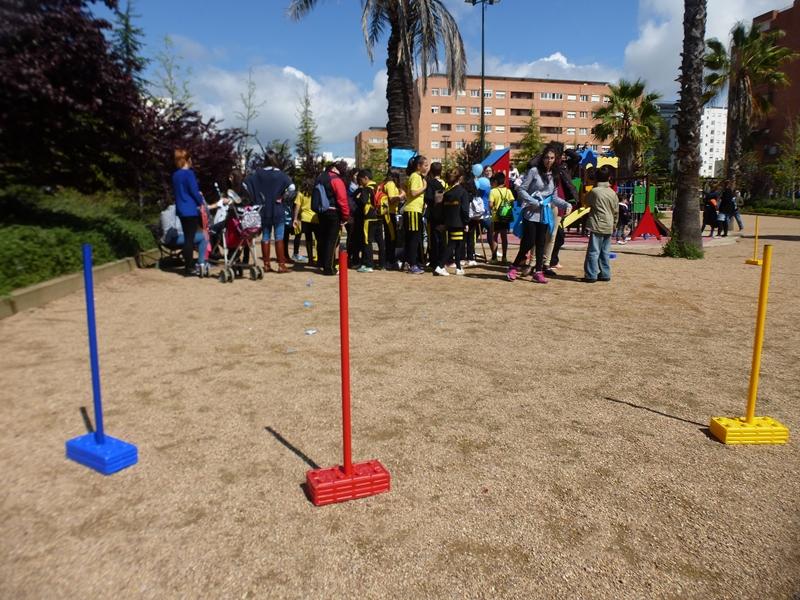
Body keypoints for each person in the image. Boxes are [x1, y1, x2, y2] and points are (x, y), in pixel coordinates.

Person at [508, 144, 572, 284]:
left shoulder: (555, 175)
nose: (549, 160)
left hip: (544, 213)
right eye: (546, 158)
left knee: (541, 242)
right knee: (528, 242)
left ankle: (538, 272)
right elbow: (521, 189)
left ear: (555, 159)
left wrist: (566, 204)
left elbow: (553, 197)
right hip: (531, 213)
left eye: (552, 158)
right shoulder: (533, 171)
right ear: (542, 158)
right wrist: (533, 201)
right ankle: (513, 267)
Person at [243, 150, 296, 273]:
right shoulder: (281, 175)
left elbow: (245, 184)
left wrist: (254, 199)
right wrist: (284, 197)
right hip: (277, 209)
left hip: (263, 210)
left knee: (265, 237)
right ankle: (281, 265)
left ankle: (266, 265)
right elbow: (292, 188)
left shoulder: (257, 174)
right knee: (279, 237)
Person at [171, 148, 209, 276]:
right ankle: (189, 267)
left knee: (187, 237)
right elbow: (194, 191)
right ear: (187, 160)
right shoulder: (189, 174)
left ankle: (188, 266)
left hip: (181, 209)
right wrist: (201, 201)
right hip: (190, 209)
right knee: (190, 239)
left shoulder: (175, 175)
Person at [583, 165, 619, 283]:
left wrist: (593, 186)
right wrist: (614, 223)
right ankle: (605, 273)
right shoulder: (612, 193)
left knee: (594, 251)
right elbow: (616, 210)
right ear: (609, 178)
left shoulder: (595, 191)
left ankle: (591, 274)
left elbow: (585, 202)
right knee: (605, 251)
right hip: (609, 224)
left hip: (597, 223)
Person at [315, 160, 350, 275]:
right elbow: (342, 199)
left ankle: (322, 262)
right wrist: (345, 216)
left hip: (321, 212)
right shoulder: (336, 179)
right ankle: (329, 268)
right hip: (333, 212)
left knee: (323, 239)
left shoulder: (320, 177)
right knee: (332, 240)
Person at [435, 166, 470, 276]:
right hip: (458, 222)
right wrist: (466, 222)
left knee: (458, 244)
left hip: (449, 222)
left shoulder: (447, 193)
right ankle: (440, 266)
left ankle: (458, 267)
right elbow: (464, 210)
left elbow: (442, 209)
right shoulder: (463, 192)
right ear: (459, 178)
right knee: (453, 245)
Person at [404, 155, 429, 274]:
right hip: (412, 210)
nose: (427, 167)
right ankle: (412, 264)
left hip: (415, 210)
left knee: (414, 238)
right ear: (418, 166)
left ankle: (410, 262)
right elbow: (413, 192)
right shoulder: (415, 176)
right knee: (413, 238)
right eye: (425, 165)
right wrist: (424, 187)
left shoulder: (418, 176)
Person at [353, 169, 381, 273]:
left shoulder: (366, 189)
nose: (360, 183)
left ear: (365, 178)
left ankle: (369, 264)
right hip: (378, 216)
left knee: (367, 241)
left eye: (360, 180)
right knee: (378, 241)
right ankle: (379, 263)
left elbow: (363, 201)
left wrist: (358, 197)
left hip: (368, 217)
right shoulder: (378, 186)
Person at [424, 162, 447, 273]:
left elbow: (428, 198)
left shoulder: (429, 183)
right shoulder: (444, 183)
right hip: (442, 214)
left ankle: (433, 262)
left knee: (433, 239)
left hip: (432, 214)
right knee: (442, 239)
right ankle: (441, 261)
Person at [489, 172, 514, 264]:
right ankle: (504, 257)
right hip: (505, 216)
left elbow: (490, 204)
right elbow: (512, 203)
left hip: (496, 217)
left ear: (495, 181)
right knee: (504, 237)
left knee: (494, 237)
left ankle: (494, 257)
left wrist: (494, 208)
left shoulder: (493, 191)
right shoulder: (508, 191)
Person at [292, 180, 319, 265]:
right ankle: (319, 258)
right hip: (316, 218)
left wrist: (295, 218)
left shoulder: (301, 193)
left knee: (308, 239)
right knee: (318, 239)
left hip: (305, 218)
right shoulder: (316, 192)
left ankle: (310, 259)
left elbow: (297, 206)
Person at [382, 171, 404, 269]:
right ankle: (389, 260)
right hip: (388, 213)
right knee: (391, 237)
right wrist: (401, 196)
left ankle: (390, 259)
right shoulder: (390, 184)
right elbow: (391, 199)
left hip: (392, 213)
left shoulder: (391, 184)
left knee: (392, 237)